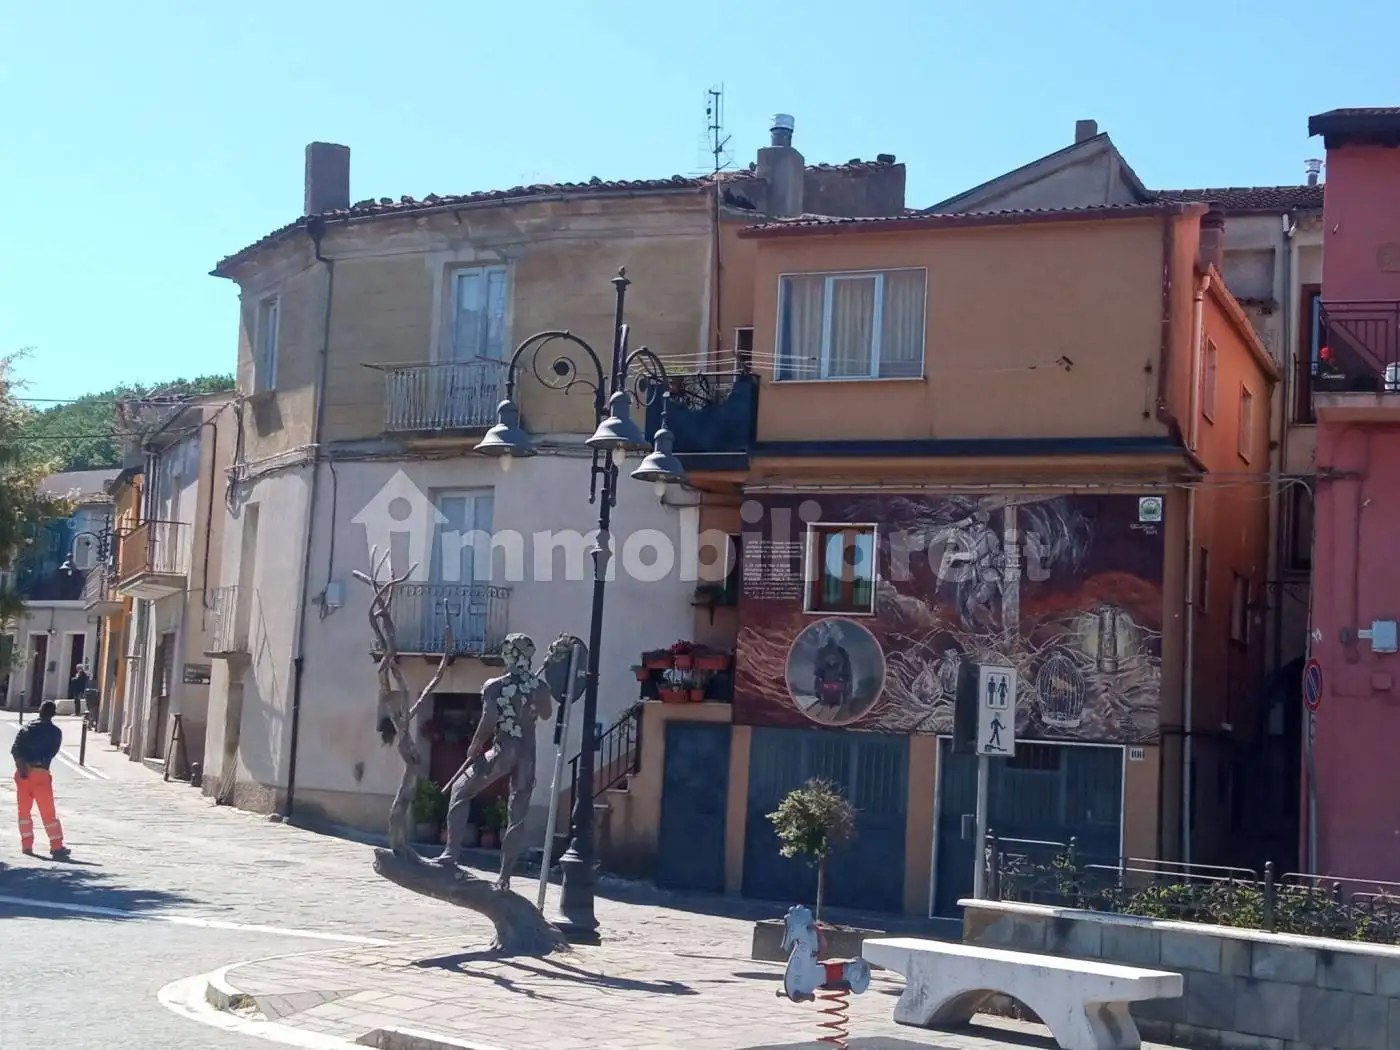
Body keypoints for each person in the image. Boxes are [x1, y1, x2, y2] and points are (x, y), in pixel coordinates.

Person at [433, 633, 553, 890]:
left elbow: (489, 719)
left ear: (508, 655)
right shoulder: (540, 687)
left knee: (460, 791)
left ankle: (450, 856)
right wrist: (533, 696)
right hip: (527, 756)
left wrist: (474, 747)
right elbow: (545, 714)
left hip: (503, 750)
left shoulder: (494, 686)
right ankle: (504, 878)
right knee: (516, 816)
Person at [12, 700, 70, 860]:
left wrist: (22, 764)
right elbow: (51, 753)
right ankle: (56, 847)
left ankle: (27, 845)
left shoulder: (26, 728)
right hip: (40, 774)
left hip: (22, 773)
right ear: (53, 714)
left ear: (39, 711)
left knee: (23, 812)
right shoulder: (55, 732)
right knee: (48, 813)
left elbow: (15, 748)